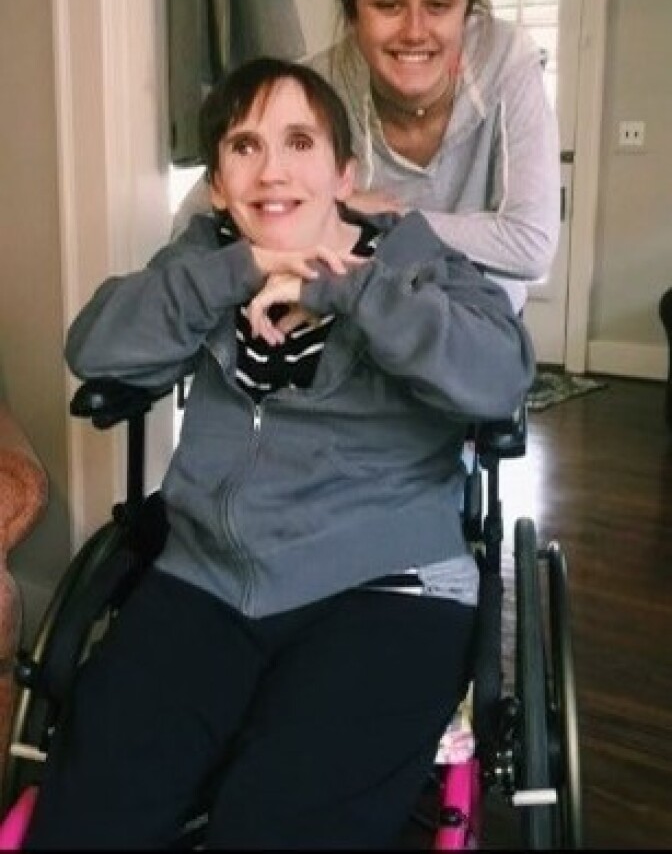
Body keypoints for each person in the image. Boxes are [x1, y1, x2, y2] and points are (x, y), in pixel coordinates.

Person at [25, 57, 535, 850]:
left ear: (344, 173)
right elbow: (96, 346)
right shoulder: (203, 263)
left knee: (278, 826)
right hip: (207, 576)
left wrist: (343, 289)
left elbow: (497, 378)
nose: (273, 170)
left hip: (387, 586)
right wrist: (245, 268)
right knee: (88, 820)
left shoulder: (417, 262)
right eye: (243, 146)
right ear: (220, 185)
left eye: (299, 142)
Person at [173, 0, 560, 314]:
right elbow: (193, 218)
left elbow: (530, 245)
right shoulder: (315, 86)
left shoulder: (508, 60)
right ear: (353, 14)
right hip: (355, 308)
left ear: (467, 12)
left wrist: (370, 215)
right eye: (387, 5)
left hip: (479, 316)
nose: (415, 31)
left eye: (439, 4)